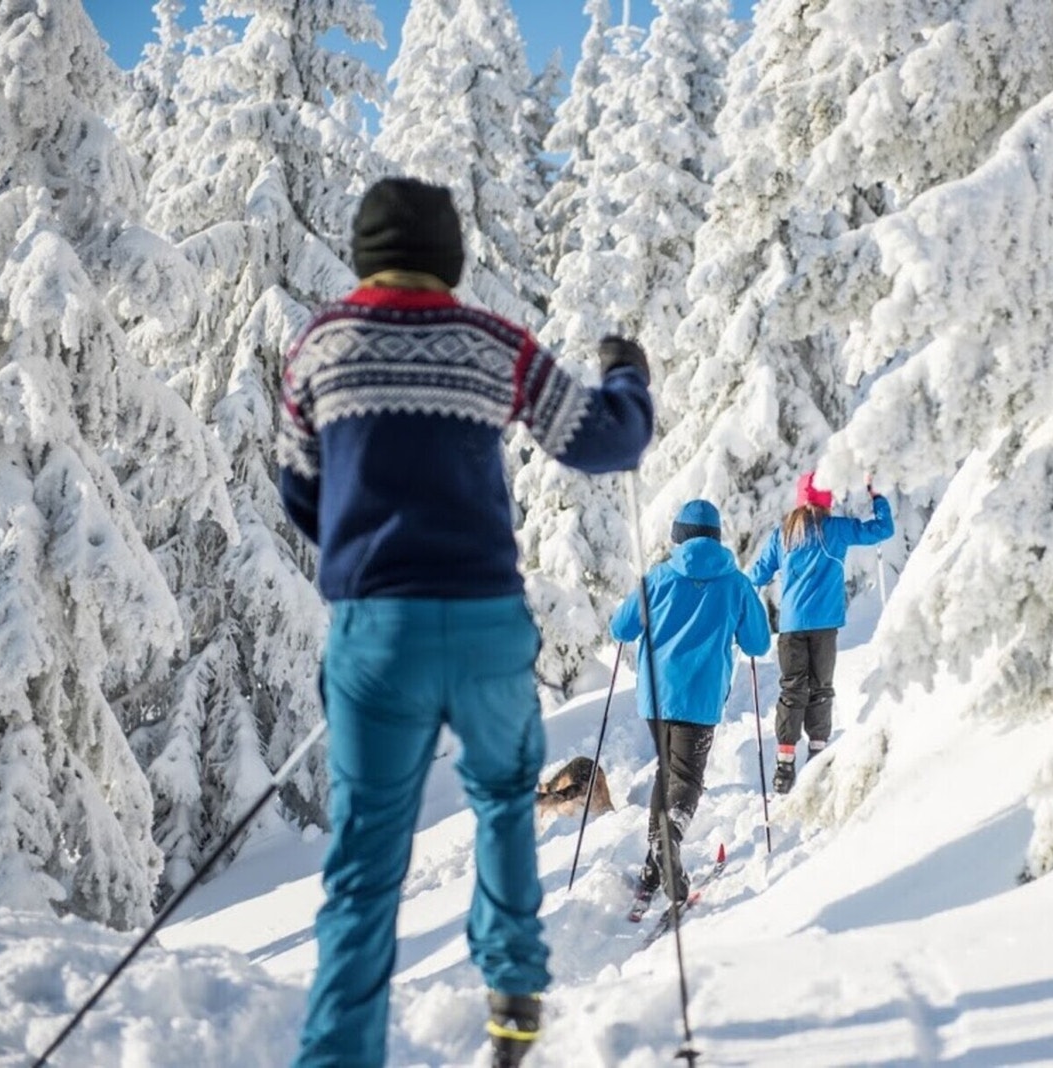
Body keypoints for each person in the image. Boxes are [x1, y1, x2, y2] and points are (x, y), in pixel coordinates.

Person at [276, 176, 653, 1068]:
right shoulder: (493, 344)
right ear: (450, 257)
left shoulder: (319, 347)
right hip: (485, 624)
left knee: (367, 855)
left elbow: (300, 492)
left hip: (378, 632)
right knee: (501, 807)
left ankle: (339, 1054)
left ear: (366, 253)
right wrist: (627, 374)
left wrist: (361, 554)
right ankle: (515, 998)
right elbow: (609, 442)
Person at [610, 499, 771, 908]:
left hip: (656, 698)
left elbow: (621, 626)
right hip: (699, 700)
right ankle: (669, 839)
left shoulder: (659, 578)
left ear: (678, 536)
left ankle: (652, 868)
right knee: (686, 780)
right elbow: (757, 642)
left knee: (669, 774)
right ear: (716, 537)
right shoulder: (735, 583)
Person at [748, 472, 893, 794]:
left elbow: (756, 575)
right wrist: (877, 496)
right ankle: (817, 756)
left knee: (792, 691)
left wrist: (741, 604)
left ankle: (784, 765)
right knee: (821, 689)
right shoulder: (836, 530)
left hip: (791, 628)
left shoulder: (783, 534)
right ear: (827, 500)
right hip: (825, 627)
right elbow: (883, 530)